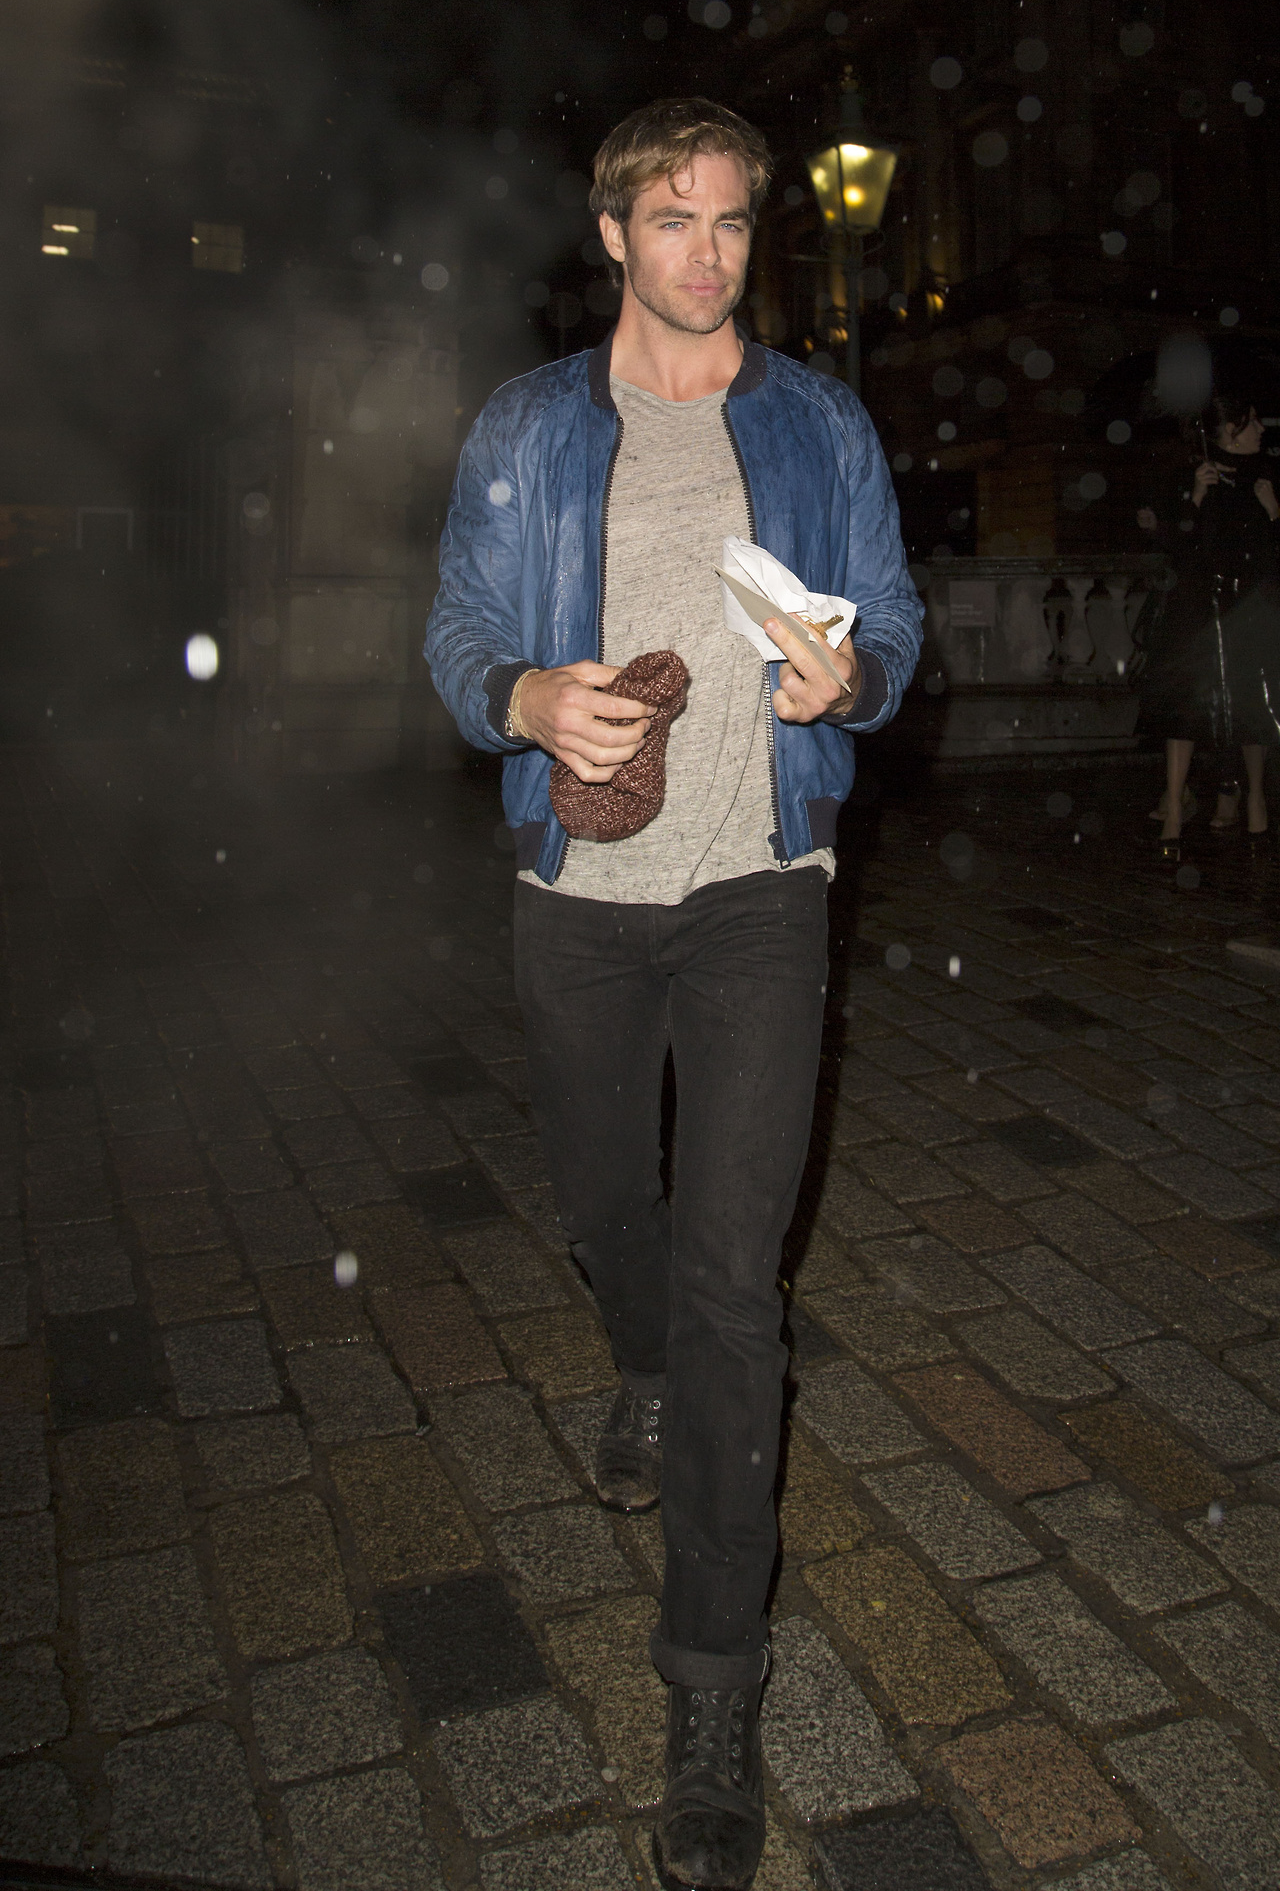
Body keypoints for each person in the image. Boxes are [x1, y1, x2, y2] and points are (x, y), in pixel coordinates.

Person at [426, 97, 922, 1891]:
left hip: (759, 893)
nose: (707, 254)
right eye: (674, 220)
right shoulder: (528, 426)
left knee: (732, 1280)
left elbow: (892, 630)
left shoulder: (819, 422)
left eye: (731, 223)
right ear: (614, 232)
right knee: (605, 1207)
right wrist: (524, 700)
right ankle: (631, 1353)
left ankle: (713, 1683)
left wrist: (848, 682)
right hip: (578, 899)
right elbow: (458, 633)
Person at [1141, 381, 1280, 854]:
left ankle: (1254, 799)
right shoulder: (1196, 475)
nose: (1261, 428)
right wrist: (1196, 498)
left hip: (1248, 611)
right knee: (1187, 709)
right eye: (1250, 421)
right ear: (1228, 431)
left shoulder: (1265, 478)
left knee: (1252, 708)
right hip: (1199, 612)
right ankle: (1174, 810)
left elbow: (1268, 559)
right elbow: (1177, 550)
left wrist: (1274, 513)